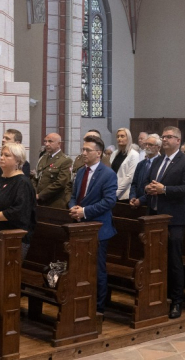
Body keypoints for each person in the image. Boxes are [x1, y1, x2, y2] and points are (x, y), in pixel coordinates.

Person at [144, 126, 185, 319]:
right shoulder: (157, 161)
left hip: (175, 219)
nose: (164, 140)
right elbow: (152, 183)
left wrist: (164, 189)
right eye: (163, 136)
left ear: (178, 140)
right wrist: (149, 189)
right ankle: (158, 296)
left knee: (174, 260)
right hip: (155, 217)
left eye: (169, 137)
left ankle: (176, 301)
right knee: (156, 258)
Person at [68, 135, 118, 315]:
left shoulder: (107, 174)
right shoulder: (81, 171)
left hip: (98, 228)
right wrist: (73, 207)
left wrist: (85, 211)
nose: (83, 153)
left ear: (98, 153)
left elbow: (109, 201)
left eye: (87, 150)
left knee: (97, 269)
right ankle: (81, 302)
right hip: (80, 227)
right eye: (82, 149)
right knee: (80, 268)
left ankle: (98, 307)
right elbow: (73, 194)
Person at [32, 133, 72, 208]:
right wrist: (34, 193)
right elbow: (35, 177)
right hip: (39, 202)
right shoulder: (43, 158)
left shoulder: (65, 160)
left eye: (50, 141)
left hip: (54, 203)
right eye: (45, 141)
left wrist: (40, 195)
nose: (47, 144)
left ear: (59, 144)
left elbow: (61, 183)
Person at [130, 133, 162, 208]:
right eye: (146, 144)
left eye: (150, 145)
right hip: (136, 202)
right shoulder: (141, 164)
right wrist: (132, 197)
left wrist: (141, 200)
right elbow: (134, 183)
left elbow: (154, 187)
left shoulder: (160, 164)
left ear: (158, 148)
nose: (147, 147)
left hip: (151, 203)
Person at [109, 128, 140, 201]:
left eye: (122, 136)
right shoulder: (114, 153)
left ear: (128, 138)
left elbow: (129, 177)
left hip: (125, 193)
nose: (119, 138)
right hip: (112, 189)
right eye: (118, 136)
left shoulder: (134, 155)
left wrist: (117, 192)